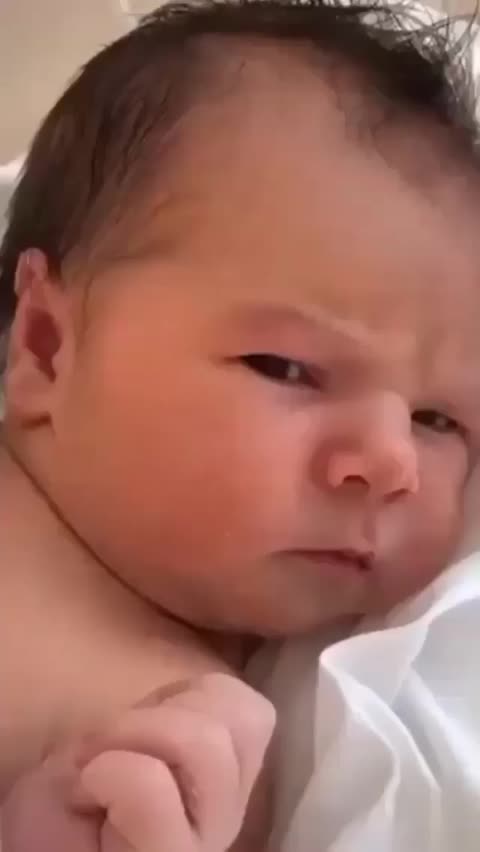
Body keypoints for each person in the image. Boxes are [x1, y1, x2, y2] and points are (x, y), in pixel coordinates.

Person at [1, 0, 480, 848]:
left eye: (438, 419)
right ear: (45, 344)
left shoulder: (187, 751)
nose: (390, 460)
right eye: (288, 368)